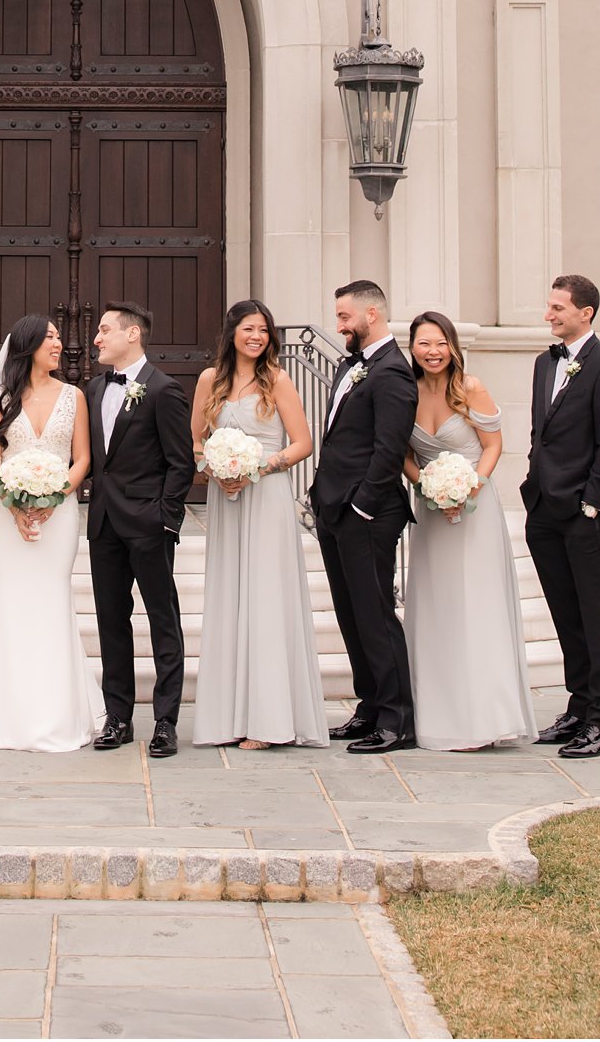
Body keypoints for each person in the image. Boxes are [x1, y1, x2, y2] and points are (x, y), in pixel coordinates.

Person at [0, 314, 102, 753]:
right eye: (50, 339)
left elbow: (82, 459)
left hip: (58, 516)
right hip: (7, 516)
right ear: (27, 346)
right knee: (9, 598)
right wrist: (12, 500)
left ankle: (55, 713)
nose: (59, 344)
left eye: (59, 338)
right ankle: (4, 714)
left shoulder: (74, 395)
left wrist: (54, 497)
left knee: (51, 599)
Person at [191, 299, 326, 750]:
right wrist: (214, 469)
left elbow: (303, 443)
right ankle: (228, 716)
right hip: (226, 500)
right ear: (232, 332)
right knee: (231, 597)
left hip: (265, 497)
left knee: (266, 600)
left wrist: (258, 468)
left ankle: (269, 722)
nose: (257, 337)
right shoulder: (210, 380)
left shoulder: (279, 381)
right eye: (249, 328)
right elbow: (196, 441)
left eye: (264, 330)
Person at [402, 310, 534, 752]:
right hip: (432, 514)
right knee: (437, 606)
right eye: (424, 343)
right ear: (413, 349)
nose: (433, 352)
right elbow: (402, 452)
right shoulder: (408, 392)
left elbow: (494, 444)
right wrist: (425, 484)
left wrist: (467, 487)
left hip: (474, 511)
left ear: (453, 346)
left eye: (440, 343)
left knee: (476, 606)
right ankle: (439, 714)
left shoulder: (470, 388)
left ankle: (486, 717)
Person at [522, 273, 600, 759]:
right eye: (549, 307)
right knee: (566, 615)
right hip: (545, 508)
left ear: (585, 313)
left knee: (596, 616)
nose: (549, 315)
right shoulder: (544, 365)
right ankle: (578, 706)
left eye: (558, 308)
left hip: (585, 514)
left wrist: (593, 504)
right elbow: (540, 435)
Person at [311, 279, 418, 754]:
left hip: (367, 514)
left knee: (375, 615)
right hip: (333, 508)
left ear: (371, 314)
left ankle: (397, 720)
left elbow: (389, 449)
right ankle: (370, 706)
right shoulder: (352, 365)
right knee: (351, 614)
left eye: (343, 317)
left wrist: (361, 505)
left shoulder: (393, 372)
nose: (339, 325)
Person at [86, 301, 195, 759]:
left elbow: (181, 462)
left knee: (162, 620)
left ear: (133, 335)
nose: (96, 338)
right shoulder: (93, 389)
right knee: (112, 623)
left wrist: (165, 519)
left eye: (105, 330)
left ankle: (166, 722)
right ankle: (119, 718)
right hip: (104, 523)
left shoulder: (163, 390)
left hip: (148, 525)